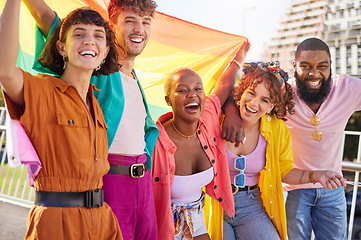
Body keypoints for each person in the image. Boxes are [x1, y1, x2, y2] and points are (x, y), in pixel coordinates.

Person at [22, 0, 159, 239]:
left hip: (142, 185)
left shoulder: (136, 79)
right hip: (108, 183)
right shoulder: (95, 70)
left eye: (146, 22)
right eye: (130, 20)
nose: (139, 29)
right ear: (111, 26)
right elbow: (47, 19)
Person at [0, 1, 123, 239]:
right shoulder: (43, 91)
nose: (89, 41)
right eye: (79, 34)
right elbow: (5, 71)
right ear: (62, 48)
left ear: (105, 52)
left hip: (103, 221)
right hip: (57, 222)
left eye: (98, 36)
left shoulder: (96, 104)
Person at [222, 37, 361, 240]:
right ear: (295, 66)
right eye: (305, 66)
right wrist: (231, 112)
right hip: (293, 189)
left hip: (332, 187)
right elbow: (232, 94)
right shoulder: (282, 91)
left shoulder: (347, 88)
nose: (314, 73)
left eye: (322, 66)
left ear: (331, 65)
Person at [151, 41, 250, 240]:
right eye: (182, 90)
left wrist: (238, 59)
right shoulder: (155, 141)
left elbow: (223, 86)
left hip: (197, 217)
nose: (192, 95)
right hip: (160, 225)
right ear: (168, 100)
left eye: (198, 89)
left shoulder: (207, 119)